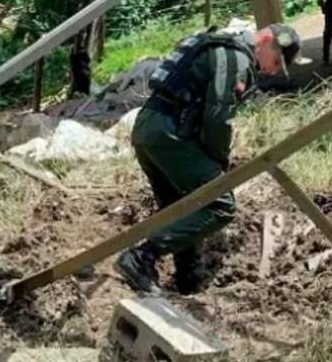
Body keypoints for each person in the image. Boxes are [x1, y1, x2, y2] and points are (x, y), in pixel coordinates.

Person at [116, 24, 301, 295]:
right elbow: (217, 116)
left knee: (181, 208)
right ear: (266, 41)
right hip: (170, 134)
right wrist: (219, 161)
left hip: (149, 129)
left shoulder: (219, 44)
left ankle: (187, 278)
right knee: (220, 204)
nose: (271, 71)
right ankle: (142, 256)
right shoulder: (235, 58)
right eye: (276, 62)